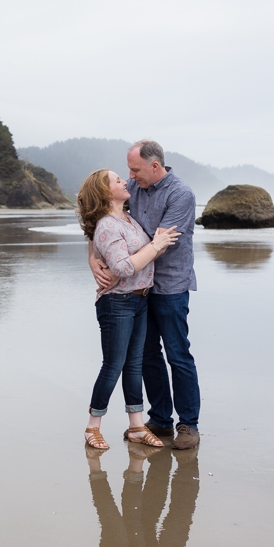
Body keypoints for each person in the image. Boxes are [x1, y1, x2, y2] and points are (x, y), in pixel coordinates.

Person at [90, 140, 201, 450]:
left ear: (155, 166)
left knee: (178, 355)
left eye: (135, 169)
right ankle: (161, 419)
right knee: (147, 355)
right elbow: (103, 220)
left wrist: (119, 265)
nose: (130, 175)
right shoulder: (135, 189)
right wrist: (94, 256)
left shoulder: (180, 194)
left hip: (170, 285)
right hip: (138, 288)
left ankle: (188, 424)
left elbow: (159, 242)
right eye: (127, 170)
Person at [76, 168, 180, 452]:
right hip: (117, 303)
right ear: (106, 192)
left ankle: (136, 426)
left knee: (134, 365)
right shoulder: (109, 225)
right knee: (113, 366)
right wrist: (157, 245)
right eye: (118, 180)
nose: (126, 181)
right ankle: (92, 427)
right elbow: (122, 268)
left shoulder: (128, 218)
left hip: (140, 300)